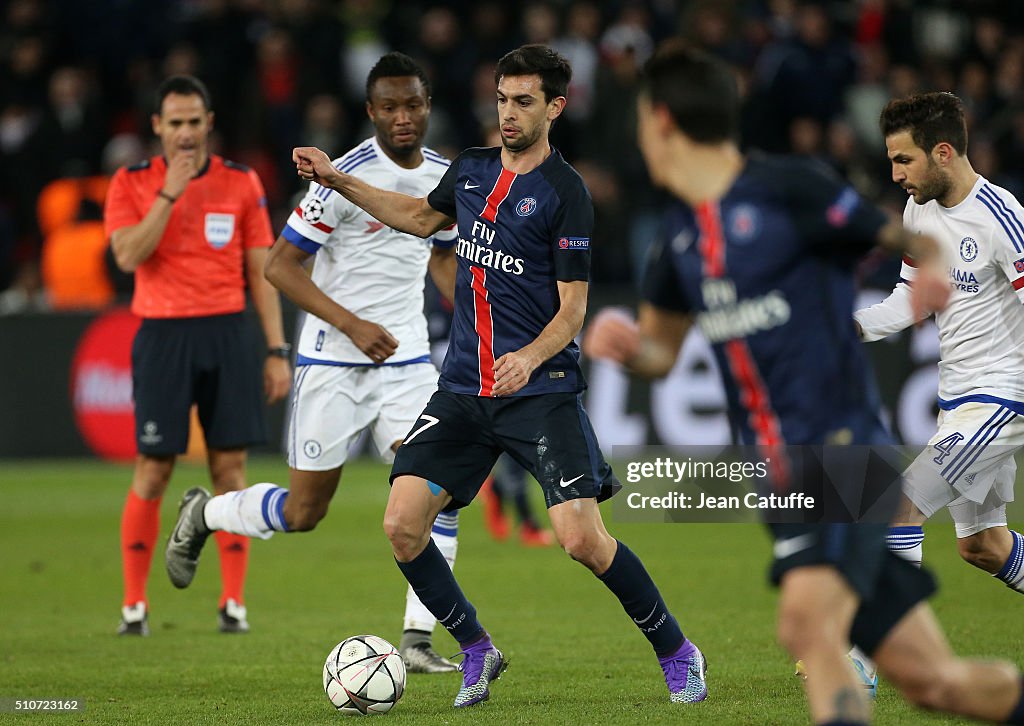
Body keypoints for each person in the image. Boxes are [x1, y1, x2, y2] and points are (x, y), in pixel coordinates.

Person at [583, 43, 1024, 726]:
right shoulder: (676, 238)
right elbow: (663, 355)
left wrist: (934, 266)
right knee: (939, 682)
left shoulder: (791, 188)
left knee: (809, 626)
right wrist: (629, 352)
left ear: (662, 120)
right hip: (783, 472)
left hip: (846, 448)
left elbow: (906, 242)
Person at [289, 44, 708, 708]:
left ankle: (677, 650)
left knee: (581, 540)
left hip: (538, 394)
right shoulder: (472, 170)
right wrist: (337, 180)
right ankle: (477, 651)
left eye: (523, 102)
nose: (507, 113)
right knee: (401, 525)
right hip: (462, 390)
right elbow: (418, 218)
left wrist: (529, 358)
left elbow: (573, 311)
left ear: (555, 107)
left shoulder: (566, 195)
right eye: (501, 99)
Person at [164, 52, 462, 674]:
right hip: (331, 360)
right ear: (371, 112)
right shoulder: (341, 178)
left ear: (428, 106)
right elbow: (278, 267)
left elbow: (438, 256)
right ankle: (208, 512)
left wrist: (473, 309)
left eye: (413, 105)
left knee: (437, 491)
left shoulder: (444, 175)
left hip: (407, 362)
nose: (403, 117)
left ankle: (417, 637)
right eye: (390, 107)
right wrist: (351, 323)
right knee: (304, 514)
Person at [104, 75, 291, 636]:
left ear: (209, 123)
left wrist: (277, 349)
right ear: (157, 127)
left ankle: (232, 603)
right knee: (154, 467)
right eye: (174, 123)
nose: (185, 133)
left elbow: (263, 270)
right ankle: (134, 604)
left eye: (194, 121)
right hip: (162, 332)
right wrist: (170, 194)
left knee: (229, 468)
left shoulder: (240, 182)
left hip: (228, 332)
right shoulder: (132, 182)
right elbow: (128, 257)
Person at [854, 91, 1024, 596]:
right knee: (983, 547)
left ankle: (860, 664)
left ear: (943, 152)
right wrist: (850, 327)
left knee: (897, 507)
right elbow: (911, 299)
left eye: (904, 160)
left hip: (1002, 397)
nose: (896, 175)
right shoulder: (917, 212)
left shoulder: (1002, 217)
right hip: (958, 399)